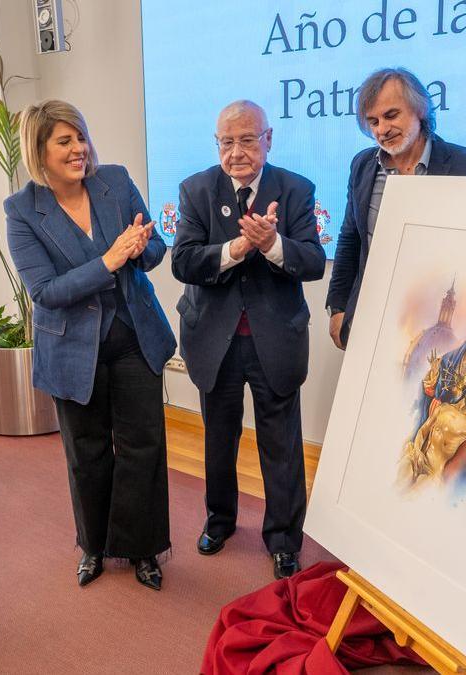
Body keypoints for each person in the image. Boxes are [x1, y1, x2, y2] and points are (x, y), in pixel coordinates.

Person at [4, 100, 176, 591]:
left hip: (133, 339)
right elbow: (46, 293)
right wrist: (109, 259)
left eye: (81, 136)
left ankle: (142, 547)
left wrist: (143, 249)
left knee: (143, 446)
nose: (79, 148)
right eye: (65, 141)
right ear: (40, 151)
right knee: (87, 451)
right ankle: (94, 547)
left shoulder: (115, 181)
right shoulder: (22, 211)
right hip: (71, 349)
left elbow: (156, 245)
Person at [171, 100, 325, 579]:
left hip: (273, 339)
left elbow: (314, 262)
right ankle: (219, 522)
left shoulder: (296, 189)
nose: (236, 152)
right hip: (214, 339)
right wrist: (236, 248)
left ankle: (283, 539)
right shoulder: (196, 189)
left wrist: (271, 244)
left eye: (246, 139)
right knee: (219, 437)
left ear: (268, 139)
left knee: (281, 443)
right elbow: (183, 262)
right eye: (226, 141)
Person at [326, 67, 466, 350]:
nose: (381, 129)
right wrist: (337, 306)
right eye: (373, 121)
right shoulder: (362, 166)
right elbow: (350, 238)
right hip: (371, 316)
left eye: (391, 115)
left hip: (440, 326)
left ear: (421, 109)